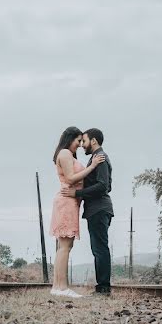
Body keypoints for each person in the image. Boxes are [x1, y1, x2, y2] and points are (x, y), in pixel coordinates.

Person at [50, 126, 106, 298]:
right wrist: (93, 165)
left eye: (82, 141)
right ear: (70, 139)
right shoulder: (65, 153)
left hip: (71, 203)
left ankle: (57, 287)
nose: (80, 145)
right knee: (65, 246)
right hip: (67, 202)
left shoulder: (66, 154)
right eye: (78, 141)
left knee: (65, 245)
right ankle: (61, 288)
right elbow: (70, 178)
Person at [61, 128, 113, 295]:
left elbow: (103, 186)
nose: (82, 145)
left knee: (100, 249)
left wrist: (77, 193)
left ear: (94, 141)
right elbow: (107, 186)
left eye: (84, 141)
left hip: (99, 209)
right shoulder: (96, 159)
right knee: (98, 248)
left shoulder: (100, 158)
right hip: (97, 209)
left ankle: (103, 288)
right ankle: (102, 287)